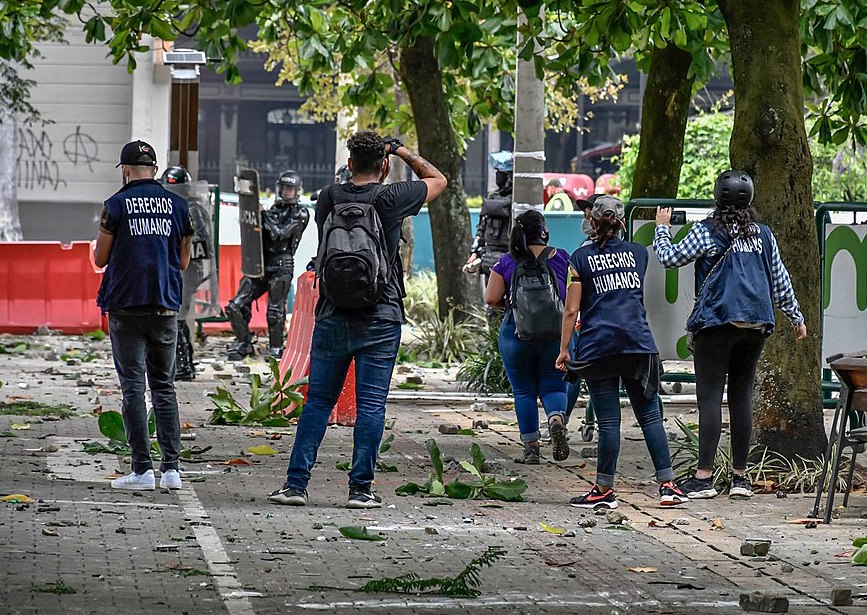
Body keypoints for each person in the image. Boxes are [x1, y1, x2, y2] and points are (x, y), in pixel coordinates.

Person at [268, 131, 447, 508]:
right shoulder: (392, 196)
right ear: (383, 166)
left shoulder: (329, 197)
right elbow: (438, 179)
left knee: (317, 401)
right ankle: (360, 490)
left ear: (349, 164)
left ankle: (295, 486)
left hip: (333, 313)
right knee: (371, 405)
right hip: (381, 315)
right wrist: (400, 150)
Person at [653, 170, 807, 499]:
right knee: (741, 398)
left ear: (716, 198)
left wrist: (662, 229)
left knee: (709, 399)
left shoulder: (706, 231)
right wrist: (796, 316)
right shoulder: (763, 235)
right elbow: (778, 279)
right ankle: (740, 479)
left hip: (717, 322)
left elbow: (669, 259)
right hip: (755, 325)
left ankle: (704, 478)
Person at [556, 195, 687, 509]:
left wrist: (563, 350)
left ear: (592, 221)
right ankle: (668, 486)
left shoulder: (579, 258)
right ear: (622, 222)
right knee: (650, 416)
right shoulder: (638, 254)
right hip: (638, 345)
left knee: (609, 423)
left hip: (598, 347)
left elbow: (571, 310)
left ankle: (603, 490)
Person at [94, 140, 193, 491]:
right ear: (155, 169)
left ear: (125, 169)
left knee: (133, 388)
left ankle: (141, 470)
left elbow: (100, 259)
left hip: (126, 304)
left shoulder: (115, 205)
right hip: (165, 304)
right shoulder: (179, 206)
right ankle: (172, 470)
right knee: (164, 387)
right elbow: (183, 261)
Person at [485, 210, 571, 464]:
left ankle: (531, 449)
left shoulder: (508, 261)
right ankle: (555, 419)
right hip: (555, 335)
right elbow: (572, 297)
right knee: (554, 385)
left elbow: (491, 298)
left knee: (523, 391)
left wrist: (514, 305)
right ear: (544, 232)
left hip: (516, 334)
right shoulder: (562, 257)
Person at [225, 170, 310, 360]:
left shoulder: (300, 213)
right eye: (284, 188)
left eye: (290, 189)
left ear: (296, 191)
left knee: (274, 311)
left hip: (281, 266)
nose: (286, 192)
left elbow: (278, 234)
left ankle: (276, 348)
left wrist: (262, 215)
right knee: (235, 306)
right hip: (260, 265)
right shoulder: (272, 211)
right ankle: (244, 342)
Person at [159, 165, 210, 381]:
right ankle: (183, 363)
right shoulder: (169, 207)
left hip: (186, 270)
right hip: (178, 269)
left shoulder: (193, 209)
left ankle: (183, 366)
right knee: (176, 317)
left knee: (177, 317)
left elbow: (200, 243)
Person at [465, 151, 513, 279]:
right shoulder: (491, 196)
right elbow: (482, 227)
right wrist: (474, 252)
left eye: (501, 173)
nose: (498, 176)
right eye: (497, 172)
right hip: (490, 253)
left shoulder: (517, 199)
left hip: (509, 251)